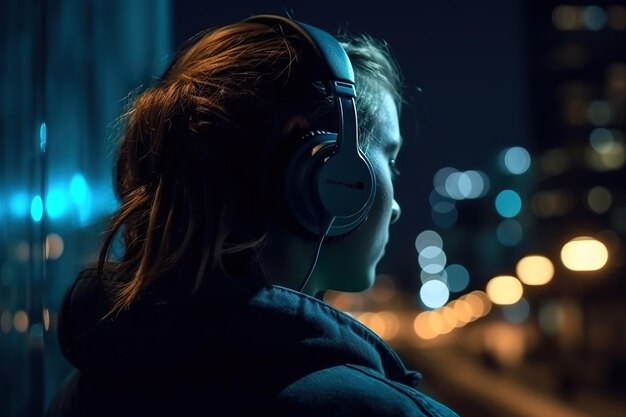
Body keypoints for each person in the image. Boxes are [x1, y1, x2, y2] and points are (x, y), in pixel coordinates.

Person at [47, 14, 460, 417]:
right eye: (390, 157)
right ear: (324, 168)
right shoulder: (384, 410)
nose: (397, 207)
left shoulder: (81, 390)